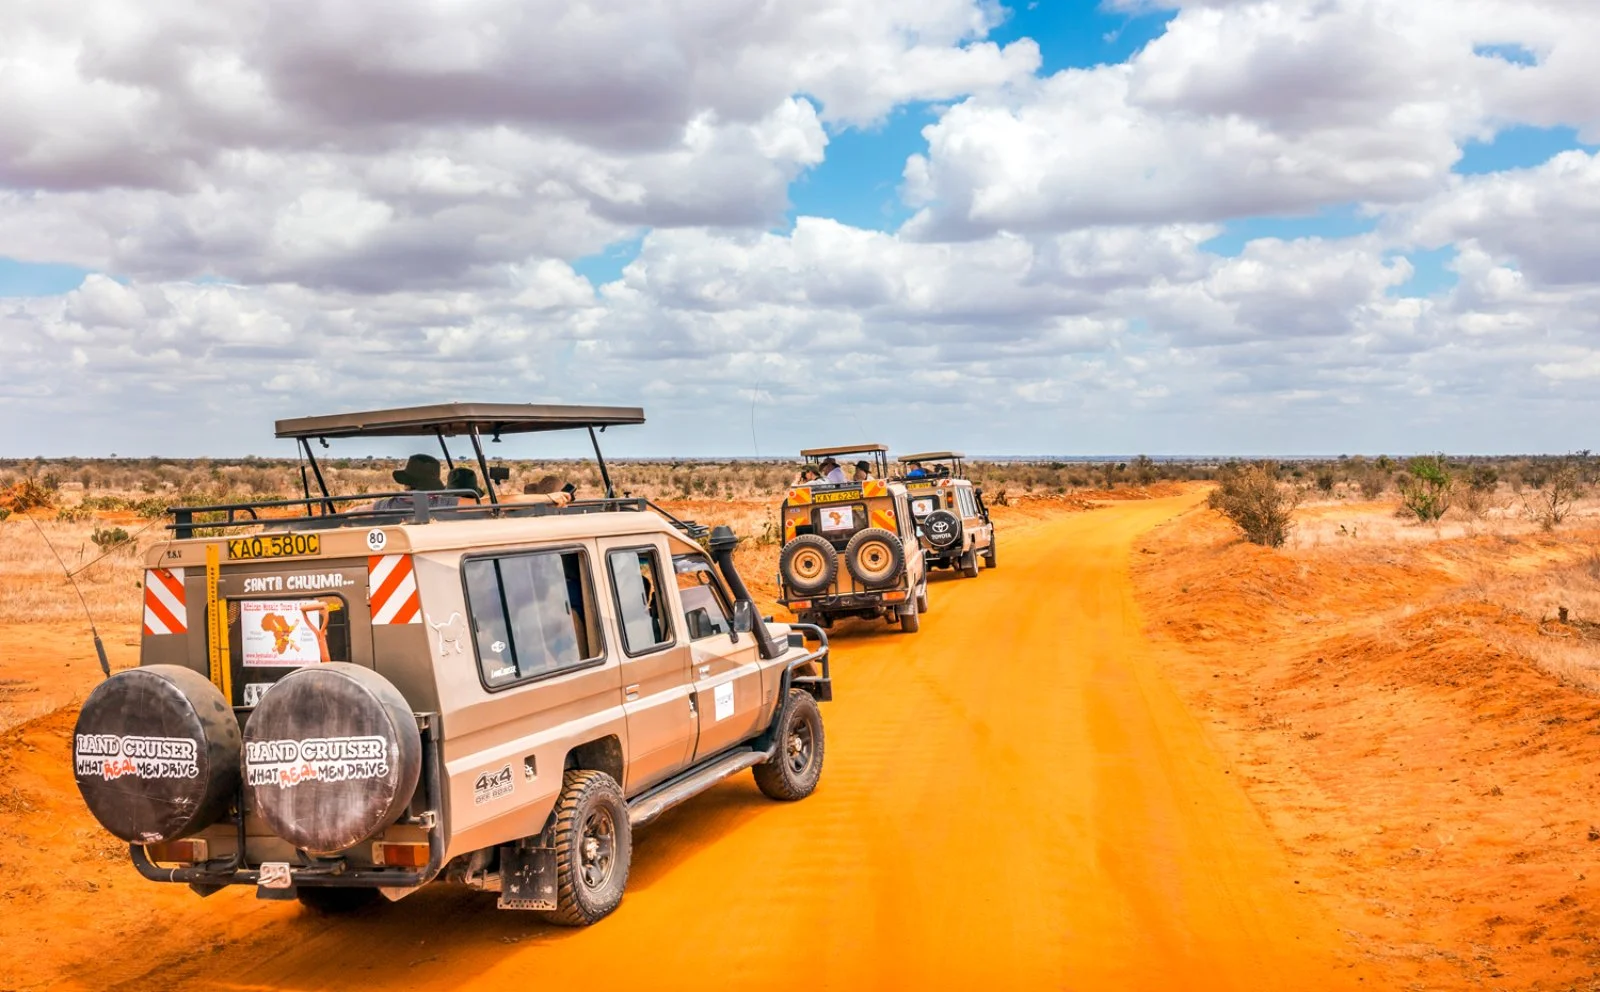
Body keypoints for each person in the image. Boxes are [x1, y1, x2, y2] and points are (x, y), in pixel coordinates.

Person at [372, 453, 459, 511]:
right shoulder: (445, 504)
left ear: (406, 482)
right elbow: (471, 504)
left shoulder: (389, 505)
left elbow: (358, 511)